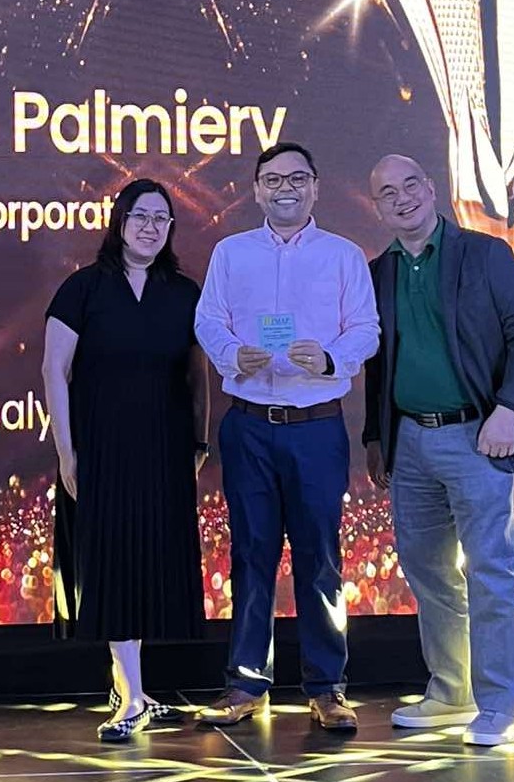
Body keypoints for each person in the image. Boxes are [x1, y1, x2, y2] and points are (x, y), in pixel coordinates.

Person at [363, 154, 514, 747]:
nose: (402, 198)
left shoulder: (484, 254)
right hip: (409, 441)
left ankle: (505, 704)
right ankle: (452, 692)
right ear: (378, 207)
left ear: (431, 187)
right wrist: (375, 438)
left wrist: (509, 408)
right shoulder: (379, 271)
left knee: (491, 569)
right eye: (387, 193)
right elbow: (377, 363)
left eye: (410, 185)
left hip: (478, 435)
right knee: (429, 571)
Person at [194, 142, 379, 731]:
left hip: (316, 426)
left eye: (297, 178)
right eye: (273, 180)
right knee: (251, 555)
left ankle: (326, 688)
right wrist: (231, 354)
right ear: (256, 190)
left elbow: (367, 329)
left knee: (319, 557)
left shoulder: (343, 256)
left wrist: (328, 358)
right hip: (249, 424)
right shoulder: (231, 253)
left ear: (315, 187)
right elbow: (208, 320)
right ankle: (247, 684)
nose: (285, 189)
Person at [42, 178, 210, 742]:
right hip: (100, 448)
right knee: (112, 565)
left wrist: (199, 444)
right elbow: (54, 371)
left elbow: (197, 376)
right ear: (119, 221)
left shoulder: (184, 293)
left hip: (164, 448)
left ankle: (130, 688)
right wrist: (67, 452)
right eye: (140, 216)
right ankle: (132, 697)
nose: (150, 228)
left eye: (162, 219)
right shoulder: (82, 288)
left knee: (150, 566)